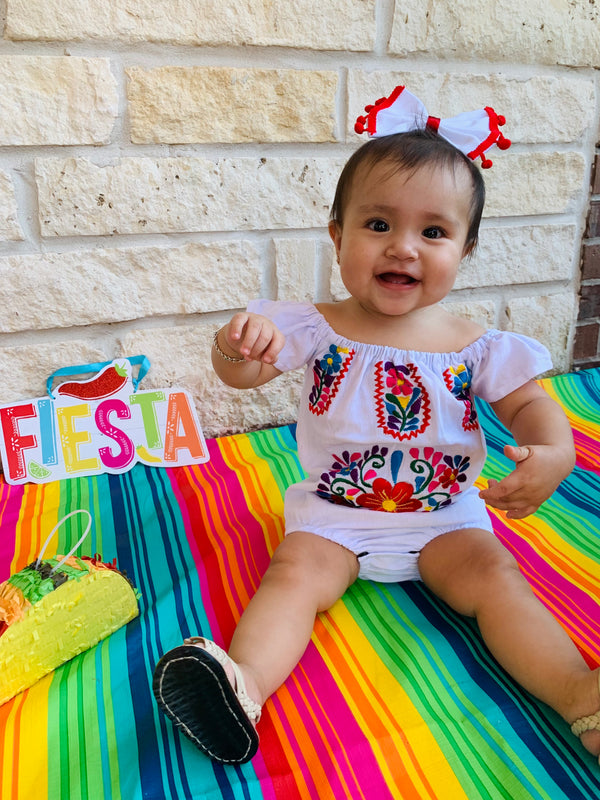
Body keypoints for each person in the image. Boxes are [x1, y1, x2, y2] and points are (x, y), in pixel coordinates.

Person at [153, 86, 600, 766]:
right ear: (338, 234)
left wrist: (556, 446)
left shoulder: (473, 342)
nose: (404, 248)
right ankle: (241, 689)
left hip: (444, 517)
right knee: (293, 576)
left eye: (434, 232)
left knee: (495, 578)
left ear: (465, 249)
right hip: (335, 514)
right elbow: (242, 376)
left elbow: (527, 403)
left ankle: (579, 698)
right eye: (378, 225)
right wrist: (235, 345)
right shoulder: (312, 325)